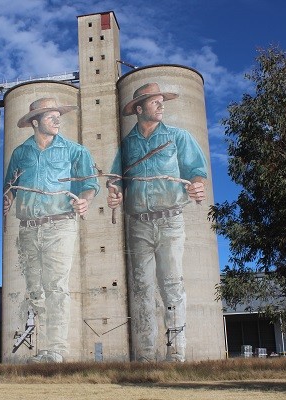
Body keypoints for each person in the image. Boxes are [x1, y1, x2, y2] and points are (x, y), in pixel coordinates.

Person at [107, 83, 208, 362]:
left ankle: (176, 352)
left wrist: (196, 185)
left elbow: (196, 171)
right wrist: (115, 193)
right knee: (141, 288)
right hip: (138, 224)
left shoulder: (178, 137)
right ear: (139, 109)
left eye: (162, 100)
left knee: (172, 285)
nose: (161, 105)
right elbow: (116, 179)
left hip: (170, 221)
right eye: (155, 101)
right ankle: (146, 355)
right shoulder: (127, 145)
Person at [3, 98, 99, 363]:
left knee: (55, 287)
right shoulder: (20, 153)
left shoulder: (75, 151)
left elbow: (90, 184)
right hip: (27, 228)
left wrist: (85, 200)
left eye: (59, 115)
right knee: (35, 289)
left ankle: (56, 349)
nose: (57, 120)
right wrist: (8, 199)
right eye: (50, 116)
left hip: (60, 225)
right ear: (35, 122)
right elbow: (10, 187)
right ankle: (42, 347)